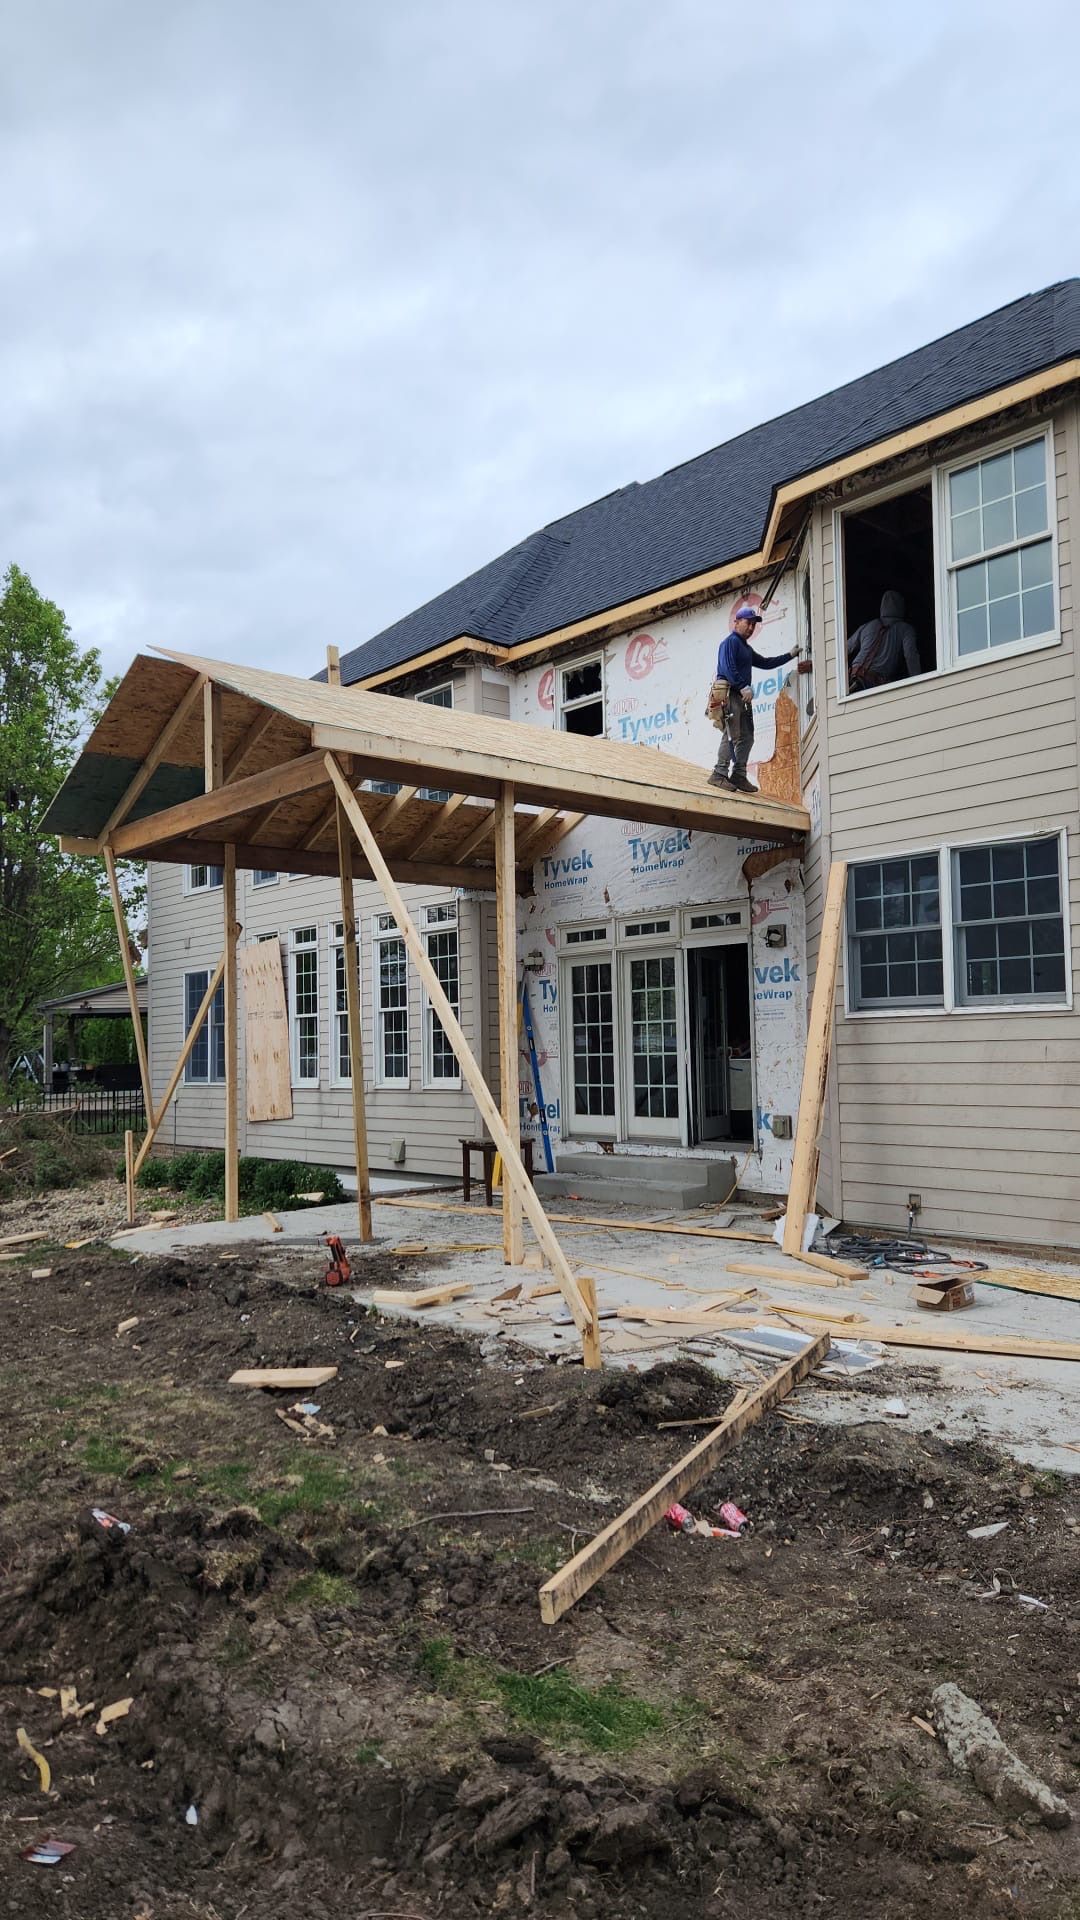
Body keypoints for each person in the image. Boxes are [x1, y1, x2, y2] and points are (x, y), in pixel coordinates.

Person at [707, 605, 801, 793]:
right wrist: (742, 685)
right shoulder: (730, 642)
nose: (751, 628)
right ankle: (719, 774)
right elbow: (727, 667)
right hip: (731, 693)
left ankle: (739, 775)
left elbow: (766, 662)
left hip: (742, 697)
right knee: (732, 735)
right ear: (737, 622)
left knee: (747, 737)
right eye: (748, 623)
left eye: (753, 625)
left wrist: (789, 656)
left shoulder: (746, 649)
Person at [846, 589, 920, 692]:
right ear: (901, 607)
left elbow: (844, 649)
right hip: (871, 683)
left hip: (851, 679)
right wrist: (918, 684)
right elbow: (910, 655)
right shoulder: (905, 629)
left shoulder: (867, 626)